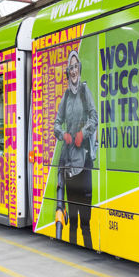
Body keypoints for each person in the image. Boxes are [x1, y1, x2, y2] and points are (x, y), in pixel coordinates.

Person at [54, 49, 98, 248]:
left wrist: (83, 134)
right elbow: (56, 124)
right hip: (70, 164)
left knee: (85, 222)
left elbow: (94, 117)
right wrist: (63, 134)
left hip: (85, 162)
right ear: (67, 71)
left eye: (76, 66)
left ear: (80, 68)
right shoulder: (65, 96)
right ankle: (71, 252)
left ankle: (87, 248)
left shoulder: (84, 91)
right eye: (70, 67)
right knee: (72, 220)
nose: (73, 70)